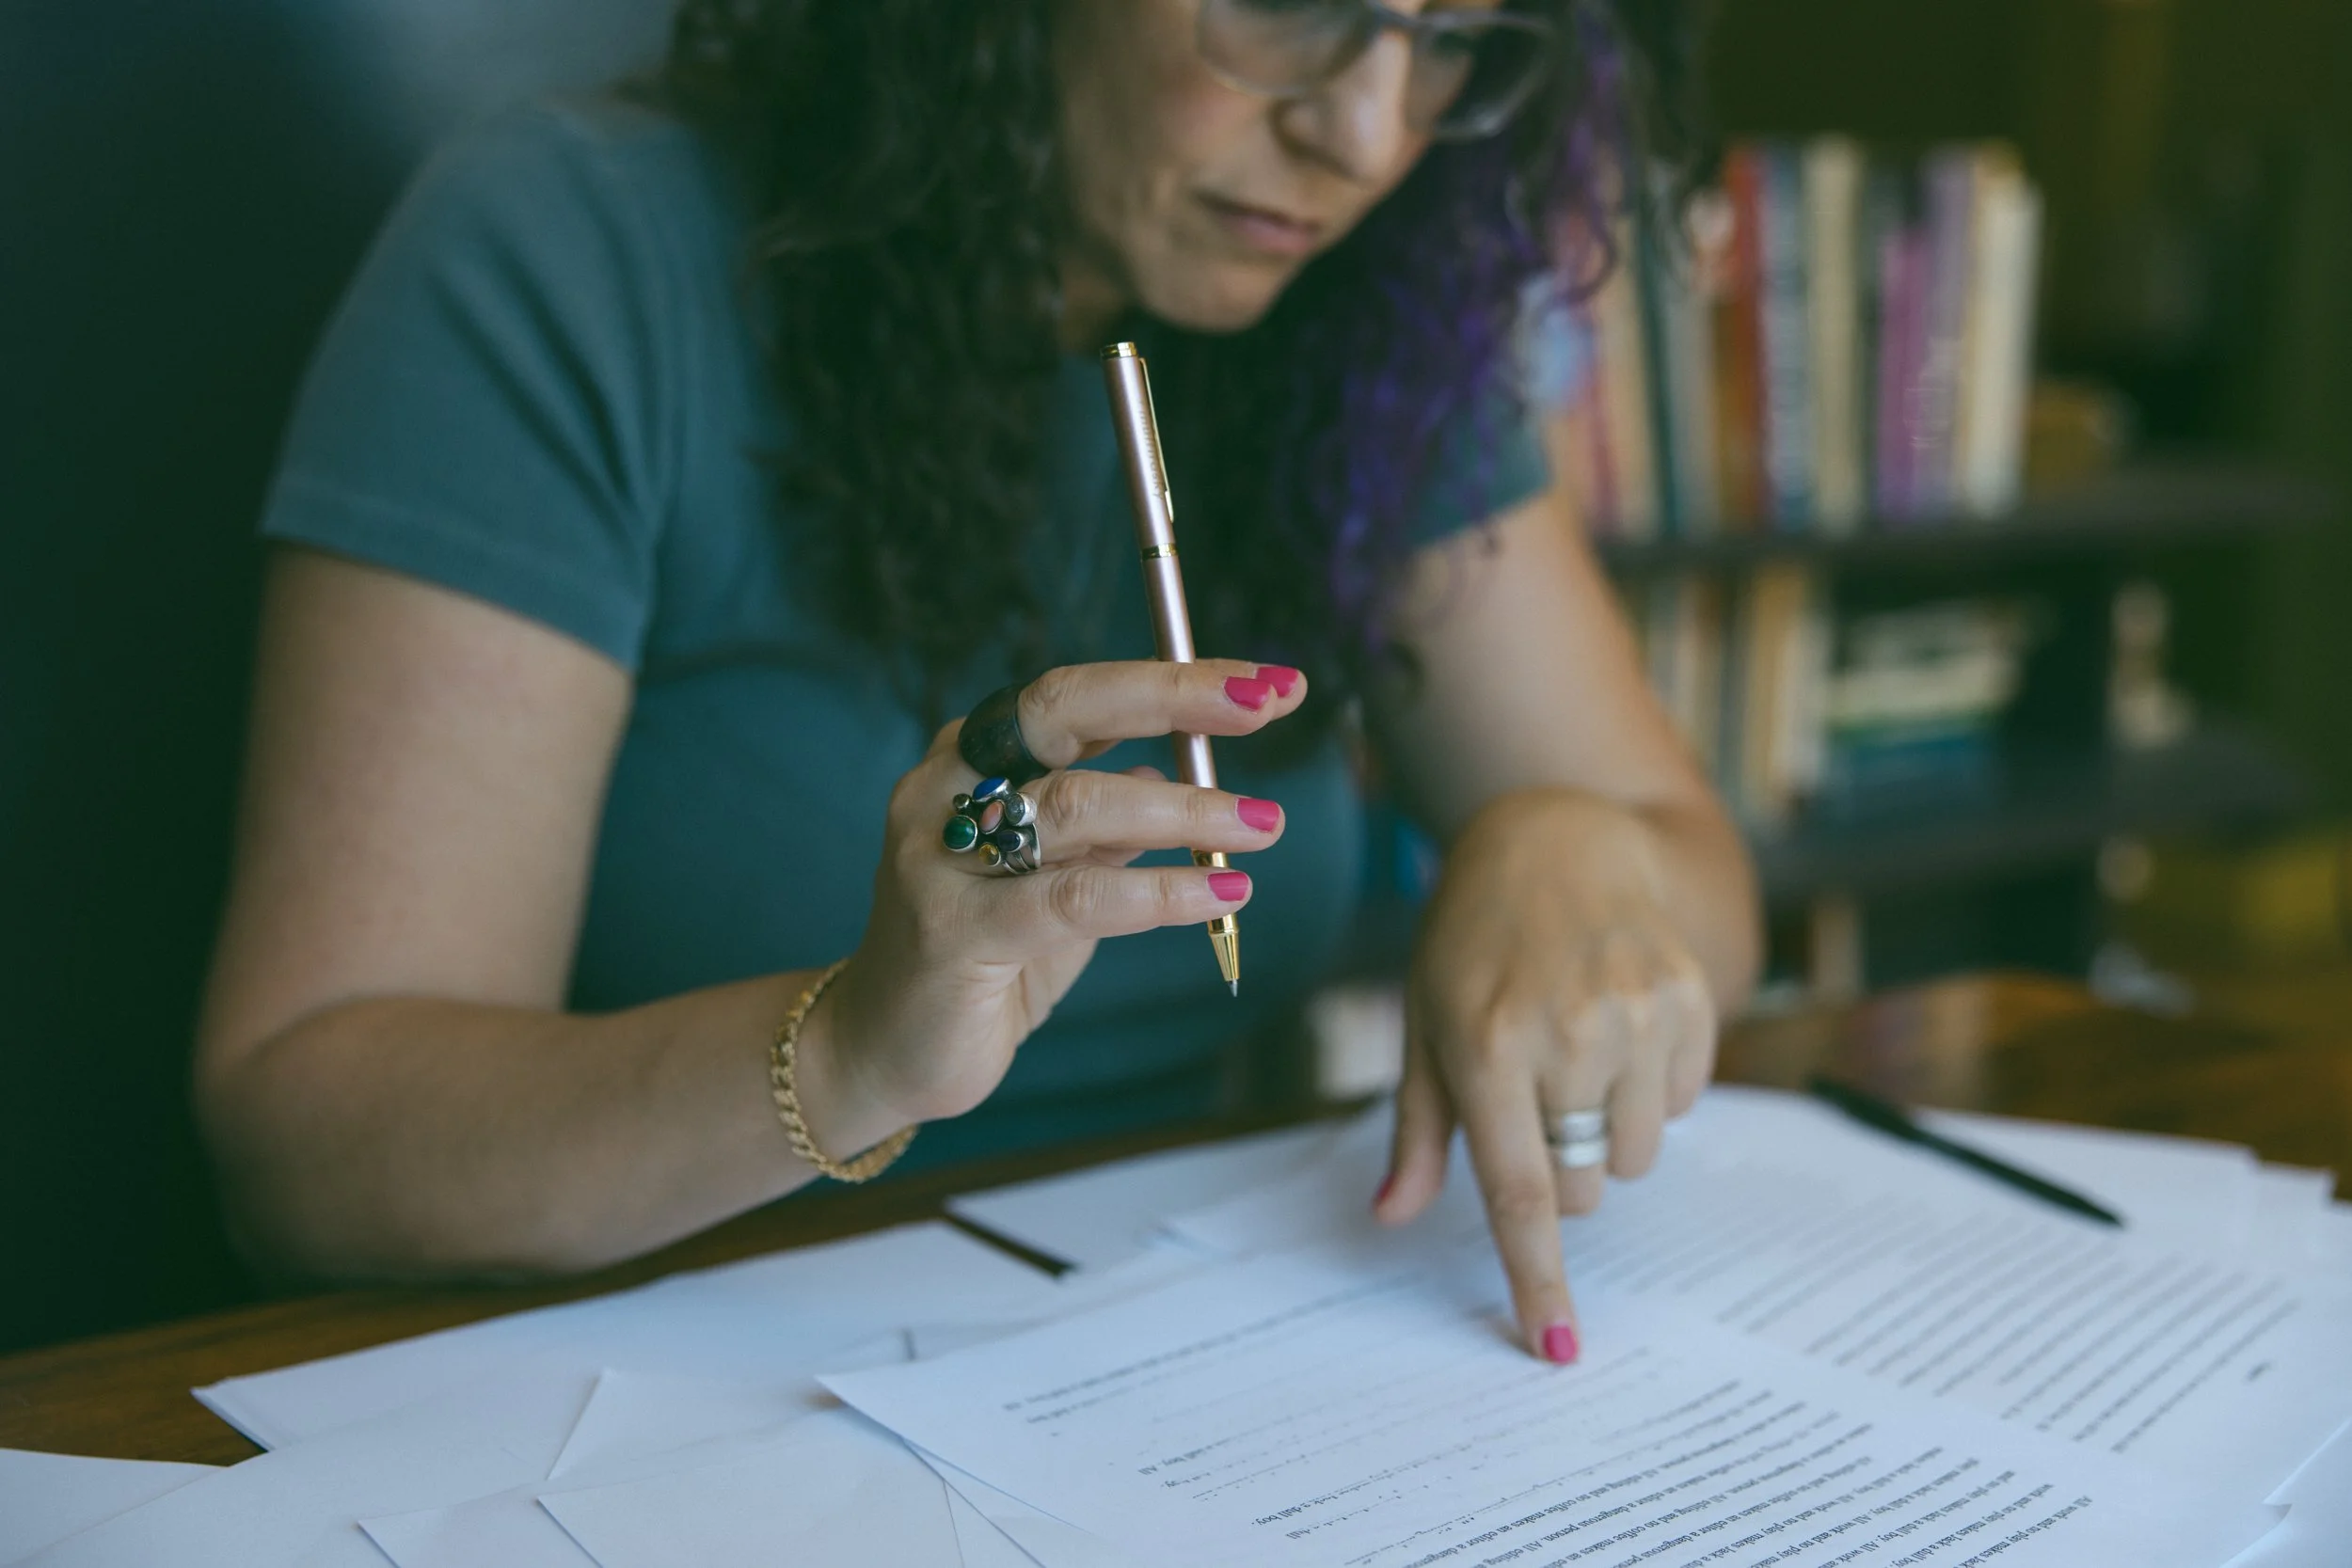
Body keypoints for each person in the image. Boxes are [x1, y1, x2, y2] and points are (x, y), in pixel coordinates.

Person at [197, 0, 1756, 1365]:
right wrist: (845, 1050)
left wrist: (1572, 842)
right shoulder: (573, 252)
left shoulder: (1362, 325)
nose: (1361, 131)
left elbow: (1697, 880)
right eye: (1287, 1)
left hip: (1168, 1353)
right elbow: (304, 1130)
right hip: (633, 1390)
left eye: (1451, 41)